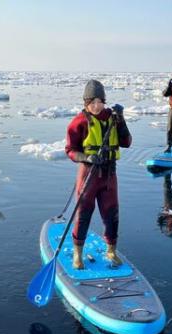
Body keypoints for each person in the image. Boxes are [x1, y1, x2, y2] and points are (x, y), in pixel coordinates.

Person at [65, 79, 132, 269]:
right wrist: (86, 157)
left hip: (109, 176)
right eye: (91, 102)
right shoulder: (80, 121)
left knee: (112, 215)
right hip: (89, 175)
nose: (96, 106)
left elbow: (126, 143)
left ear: (104, 101)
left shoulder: (113, 118)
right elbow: (70, 150)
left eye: (99, 102)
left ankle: (111, 250)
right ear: (86, 103)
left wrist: (122, 119)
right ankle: (77, 255)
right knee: (84, 214)